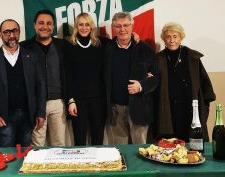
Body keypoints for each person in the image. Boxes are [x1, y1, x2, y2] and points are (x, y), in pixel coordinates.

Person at [0, 19, 46, 147]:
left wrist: (40, 113)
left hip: (28, 117)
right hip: (3, 118)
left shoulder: (31, 56)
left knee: (25, 157)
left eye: (15, 31)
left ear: (19, 32)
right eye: (7, 32)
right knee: (5, 158)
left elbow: (40, 86)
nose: (11, 35)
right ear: (0, 35)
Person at [155, 22, 216, 142]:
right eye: (168, 37)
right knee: (170, 142)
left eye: (175, 36)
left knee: (192, 140)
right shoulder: (158, 58)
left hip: (189, 106)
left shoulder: (192, 57)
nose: (171, 40)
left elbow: (203, 81)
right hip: (168, 107)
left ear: (181, 38)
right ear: (164, 39)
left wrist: (205, 104)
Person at [105, 12, 158, 144]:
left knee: (140, 150)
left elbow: (157, 77)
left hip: (139, 107)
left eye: (126, 25)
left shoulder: (145, 49)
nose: (122, 29)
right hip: (115, 109)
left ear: (132, 26)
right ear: (113, 27)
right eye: (118, 26)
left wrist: (141, 85)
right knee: (119, 151)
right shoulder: (107, 48)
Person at [20, 10, 67, 146]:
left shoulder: (63, 45)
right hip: (34, 103)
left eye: (49, 23)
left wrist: (133, 37)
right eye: (41, 23)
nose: (45, 26)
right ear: (35, 25)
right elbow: (5, 52)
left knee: (59, 144)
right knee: (37, 145)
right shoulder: (23, 47)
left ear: (52, 27)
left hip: (58, 102)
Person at [64, 13, 108, 146]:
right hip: (78, 100)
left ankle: (98, 165)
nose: (84, 28)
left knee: (98, 137)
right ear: (76, 26)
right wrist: (70, 100)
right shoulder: (68, 45)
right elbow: (67, 75)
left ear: (91, 26)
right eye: (81, 24)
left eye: (87, 24)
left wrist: (134, 36)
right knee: (79, 138)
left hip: (98, 99)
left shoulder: (101, 43)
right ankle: (81, 166)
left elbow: (121, 42)